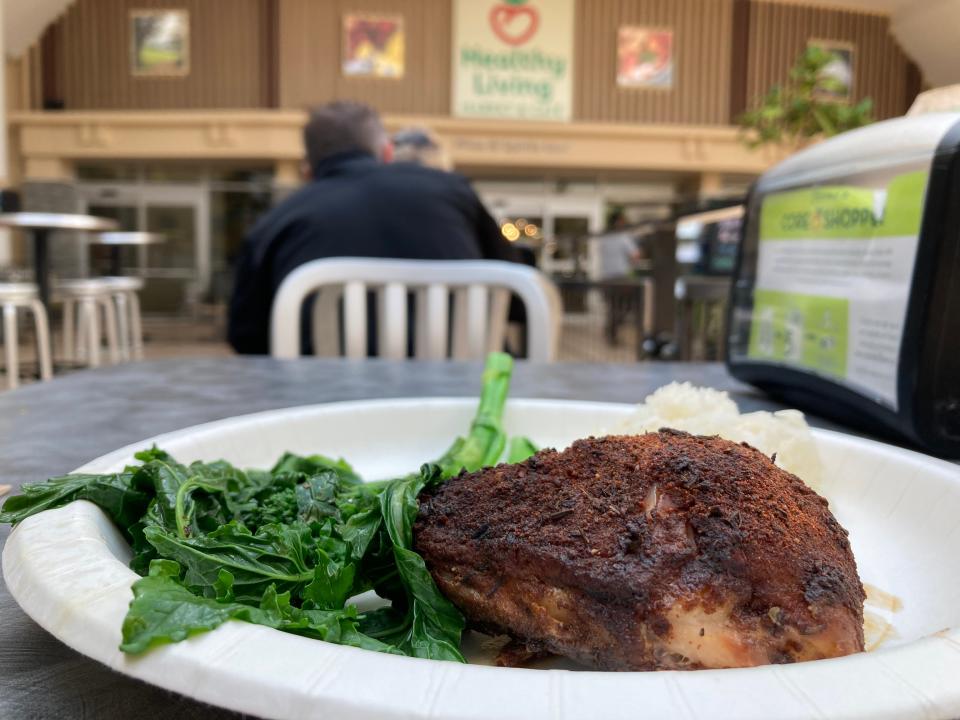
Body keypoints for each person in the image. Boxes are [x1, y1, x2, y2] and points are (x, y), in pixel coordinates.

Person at [228, 101, 515, 354]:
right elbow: (514, 295)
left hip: (327, 405)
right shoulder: (452, 191)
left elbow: (246, 338)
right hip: (467, 400)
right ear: (388, 152)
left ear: (308, 168)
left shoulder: (275, 224)